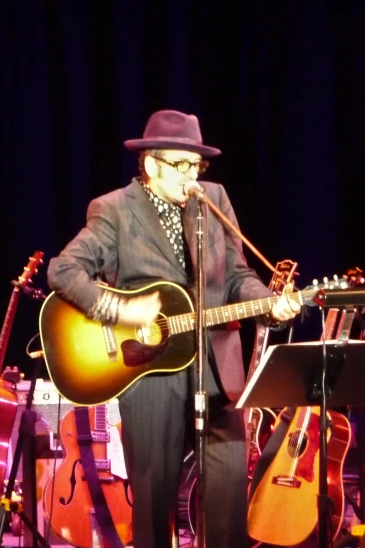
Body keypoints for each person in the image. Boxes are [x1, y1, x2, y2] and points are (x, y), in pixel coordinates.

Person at [46, 109, 302, 547]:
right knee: (153, 497)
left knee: (226, 502)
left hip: (217, 367)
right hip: (149, 369)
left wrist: (269, 307)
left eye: (195, 166)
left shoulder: (213, 200)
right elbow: (63, 270)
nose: (191, 177)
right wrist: (117, 310)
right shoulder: (114, 209)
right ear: (150, 164)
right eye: (179, 165)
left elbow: (238, 276)